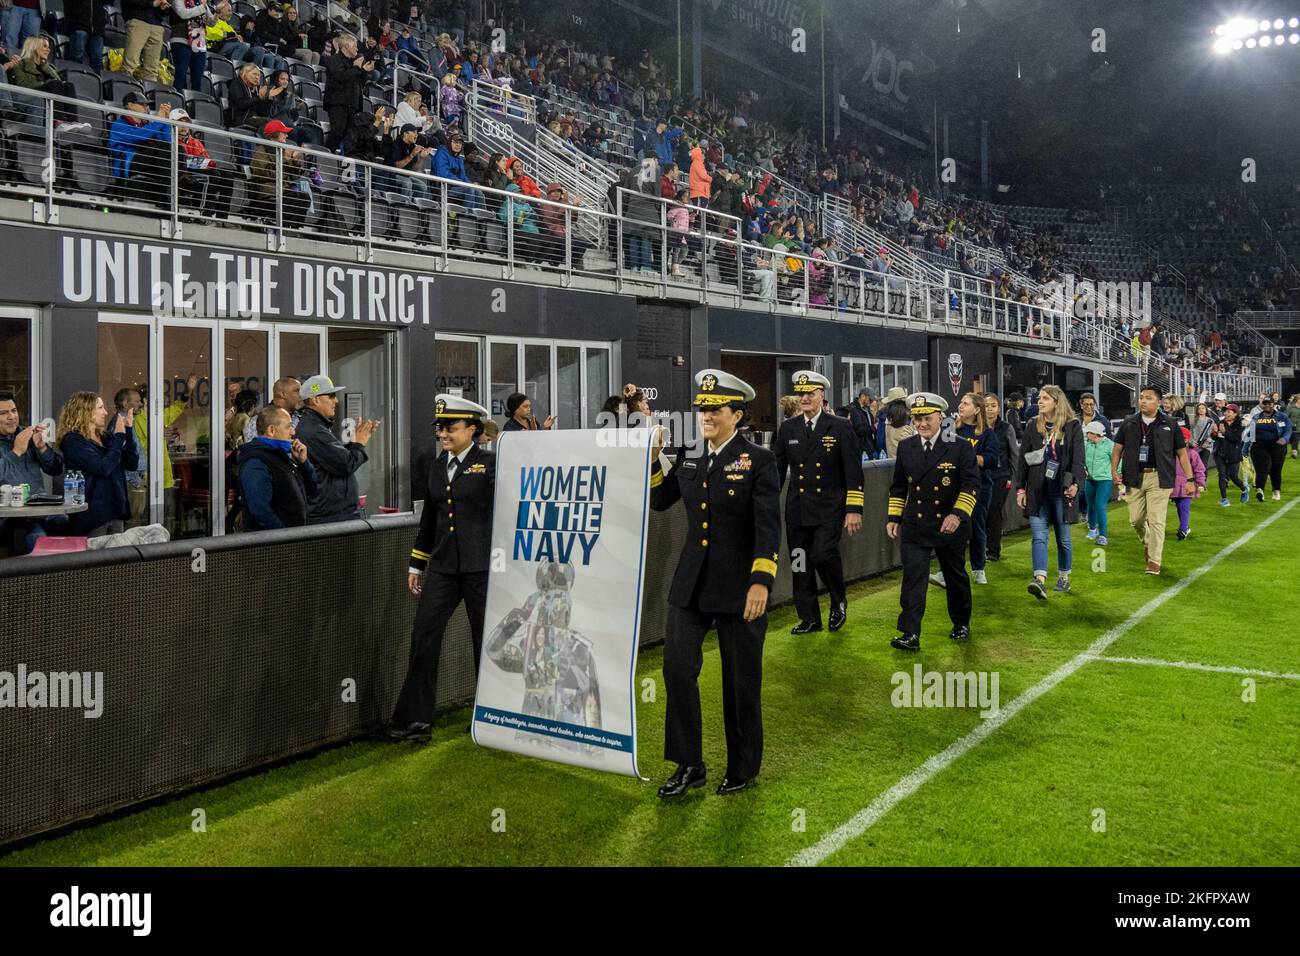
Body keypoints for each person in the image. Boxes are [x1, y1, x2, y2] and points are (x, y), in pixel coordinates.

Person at [650, 369, 780, 797]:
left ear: (736, 414)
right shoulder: (690, 456)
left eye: (714, 409)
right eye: (702, 408)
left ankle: (742, 766)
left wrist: (761, 581)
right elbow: (660, 500)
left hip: (741, 586)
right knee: (677, 670)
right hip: (691, 585)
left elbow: (767, 526)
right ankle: (689, 764)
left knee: (740, 679)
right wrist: (654, 460)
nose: (705, 415)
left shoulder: (758, 461)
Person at [386, 396, 495, 743]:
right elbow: (430, 520)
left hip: (483, 569)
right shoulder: (437, 466)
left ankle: (489, 716)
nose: (443, 434)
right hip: (444, 569)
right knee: (424, 638)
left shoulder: (491, 464)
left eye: (451, 427)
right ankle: (414, 721)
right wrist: (417, 564)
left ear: (473, 429)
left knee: (487, 643)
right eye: (440, 428)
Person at [886, 392, 979, 651]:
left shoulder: (960, 446)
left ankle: (961, 622)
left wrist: (957, 515)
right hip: (916, 524)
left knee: (955, 575)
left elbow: (972, 486)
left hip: (950, 526)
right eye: (917, 419)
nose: (921, 424)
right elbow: (898, 487)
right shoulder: (907, 447)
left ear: (940, 417)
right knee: (913, 578)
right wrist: (894, 517)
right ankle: (910, 633)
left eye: (926, 418)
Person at [772, 371, 863, 634]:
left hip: (829, 508)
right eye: (801, 394)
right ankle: (809, 617)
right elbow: (776, 471)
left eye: (810, 393)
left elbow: (853, 471)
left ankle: (838, 599)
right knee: (800, 563)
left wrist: (854, 509)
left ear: (822, 395)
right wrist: (766, 503)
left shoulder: (840, 426)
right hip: (798, 508)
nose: (805, 398)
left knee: (824, 555)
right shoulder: (788, 428)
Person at [1110, 386, 1198, 575]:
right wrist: (1114, 470)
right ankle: (1148, 543)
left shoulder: (1171, 423)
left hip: (1160, 477)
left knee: (1157, 520)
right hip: (1134, 477)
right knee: (1136, 520)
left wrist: (1190, 479)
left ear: (1159, 402)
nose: (1142, 401)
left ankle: (1154, 561)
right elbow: (1117, 448)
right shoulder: (1129, 422)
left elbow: (1182, 454)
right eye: (1141, 397)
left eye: (1148, 398)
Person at [1018, 385, 1084, 598]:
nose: (1040, 401)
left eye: (1045, 398)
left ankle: (1064, 577)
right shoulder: (1032, 425)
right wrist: (1021, 488)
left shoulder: (1072, 426)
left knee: (1063, 538)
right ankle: (1039, 580)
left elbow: (1078, 459)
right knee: (1038, 536)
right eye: (1039, 398)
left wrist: (1076, 484)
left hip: (1061, 491)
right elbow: (1023, 460)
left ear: (1057, 401)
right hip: (1037, 490)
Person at [293, 375, 379, 524]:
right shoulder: (313, 430)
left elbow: (336, 458)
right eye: (331, 396)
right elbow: (346, 464)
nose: (336, 401)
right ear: (315, 399)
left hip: (333, 514)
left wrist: (354, 444)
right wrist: (359, 443)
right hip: (329, 517)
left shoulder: (316, 427)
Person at [57, 391, 140, 538]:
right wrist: (119, 437)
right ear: (86, 412)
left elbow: (132, 464)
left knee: (118, 559)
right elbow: (103, 468)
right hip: (93, 515)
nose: (106, 412)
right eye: (100, 408)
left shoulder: (105, 437)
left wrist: (128, 431)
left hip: (116, 509)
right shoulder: (73, 441)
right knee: (97, 559)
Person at [0, 389, 65, 553]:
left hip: (39, 510)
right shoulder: (20, 443)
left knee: (63, 520)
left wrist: (42, 448)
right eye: (4, 413)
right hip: (9, 516)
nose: (12, 417)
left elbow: (55, 469)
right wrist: (16, 452)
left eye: (14, 411)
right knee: (35, 537)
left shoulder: (25, 436)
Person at [237, 405, 319, 531]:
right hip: (274, 545)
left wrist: (304, 463)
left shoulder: (282, 456)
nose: (293, 432)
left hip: (293, 538)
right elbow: (260, 510)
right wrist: (284, 537)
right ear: (271, 430)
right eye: (288, 426)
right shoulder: (256, 462)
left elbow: (312, 490)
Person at [948, 392, 998, 586]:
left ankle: (978, 568)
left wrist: (969, 458)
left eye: (966, 403)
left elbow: (993, 460)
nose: (961, 406)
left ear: (977, 410)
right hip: (954, 486)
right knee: (952, 528)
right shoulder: (952, 429)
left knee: (976, 528)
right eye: (961, 402)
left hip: (980, 487)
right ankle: (950, 568)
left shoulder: (987, 433)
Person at [983, 393, 1018, 562]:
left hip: (1000, 476)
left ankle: (993, 550)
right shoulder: (976, 427)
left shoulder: (1006, 428)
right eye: (986, 405)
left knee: (994, 513)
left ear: (998, 408)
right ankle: (983, 545)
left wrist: (1013, 476)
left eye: (993, 405)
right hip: (980, 476)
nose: (989, 408)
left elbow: (1014, 454)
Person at [323, 33, 372, 150]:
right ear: (345, 47)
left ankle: (339, 162)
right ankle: (326, 157)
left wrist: (364, 71)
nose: (357, 48)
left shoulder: (354, 62)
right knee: (337, 133)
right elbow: (341, 76)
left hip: (353, 104)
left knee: (348, 137)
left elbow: (361, 83)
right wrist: (356, 68)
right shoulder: (333, 60)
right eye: (354, 46)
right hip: (338, 103)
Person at [1248, 394, 1291, 501]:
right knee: (1263, 468)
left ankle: (1276, 490)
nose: (1267, 406)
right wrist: (1246, 447)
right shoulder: (1256, 417)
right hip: (1259, 447)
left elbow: (1288, 429)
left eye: (1269, 404)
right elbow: (1250, 433)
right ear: (1263, 405)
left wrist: (1284, 439)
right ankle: (1260, 490)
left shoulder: (1282, 416)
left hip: (1277, 446)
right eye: (1265, 404)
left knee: (1276, 470)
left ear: (1273, 404)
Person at [1170, 426, 1206, 541]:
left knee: (1184, 506)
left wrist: (1200, 483)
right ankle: (1185, 527)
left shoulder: (1192, 454)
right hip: (1174, 487)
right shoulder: (1170, 453)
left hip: (1187, 486)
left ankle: (1183, 529)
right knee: (1179, 507)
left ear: (1186, 440)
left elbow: (1199, 469)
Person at [122, 0, 172, 83]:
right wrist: (152, 3)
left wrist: (164, 7)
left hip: (157, 25)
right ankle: (124, 88)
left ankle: (149, 93)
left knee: (152, 70)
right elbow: (128, 2)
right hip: (138, 21)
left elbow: (166, 12)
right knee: (130, 64)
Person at [1082, 420, 1114, 546]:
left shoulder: (1110, 445)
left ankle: (1103, 535)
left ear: (1095, 434)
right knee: (1091, 506)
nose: (1086, 435)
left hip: (1105, 480)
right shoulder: (1086, 444)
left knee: (1100, 506)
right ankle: (1092, 529)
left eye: (1088, 433)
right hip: (1089, 479)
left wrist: (1118, 476)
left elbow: (1117, 461)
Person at [168, 0, 211, 94]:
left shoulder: (201, 1)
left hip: (199, 42)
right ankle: (177, 103)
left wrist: (218, 12)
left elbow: (211, 22)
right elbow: (183, 14)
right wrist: (202, 7)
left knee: (197, 80)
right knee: (180, 77)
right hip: (181, 39)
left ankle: (195, 106)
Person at [243, 376, 300, 444]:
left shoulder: (301, 417)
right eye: (297, 391)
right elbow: (255, 449)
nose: (301, 395)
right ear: (283, 394)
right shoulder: (259, 421)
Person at [1213, 403, 1247, 506]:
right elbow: (1216, 438)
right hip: (1220, 454)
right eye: (1225, 411)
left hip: (1233, 454)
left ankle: (1244, 489)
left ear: (1235, 413)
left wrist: (1224, 432)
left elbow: (1236, 439)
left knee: (1234, 477)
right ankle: (1224, 499)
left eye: (1229, 411)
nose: (1226, 413)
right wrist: (1214, 433)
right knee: (1222, 476)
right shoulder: (1221, 422)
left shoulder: (1240, 424)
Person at [846, 388, 876, 459]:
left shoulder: (866, 409)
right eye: (870, 399)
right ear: (863, 396)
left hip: (868, 447)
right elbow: (859, 430)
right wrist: (873, 428)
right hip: (861, 449)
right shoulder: (854, 410)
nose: (871, 402)